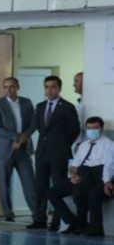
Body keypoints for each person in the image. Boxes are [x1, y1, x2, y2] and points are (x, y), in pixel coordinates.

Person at [30, 75, 80, 230]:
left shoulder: (67, 107)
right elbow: (41, 129)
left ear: (59, 89)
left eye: (53, 87)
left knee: (57, 187)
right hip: (42, 153)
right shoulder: (40, 106)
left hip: (59, 154)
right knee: (40, 186)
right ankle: (39, 219)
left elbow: (75, 130)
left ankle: (56, 221)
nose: (49, 90)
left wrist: (62, 145)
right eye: (47, 87)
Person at [0, 77, 38, 222]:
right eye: (5, 87)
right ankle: (8, 215)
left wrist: (24, 137)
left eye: (11, 86)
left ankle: (37, 215)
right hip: (4, 151)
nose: (8, 90)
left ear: (18, 87)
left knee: (30, 183)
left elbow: (34, 123)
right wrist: (17, 137)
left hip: (23, 150)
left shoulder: (26, 102)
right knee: (4, 185)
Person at [65, 116, 113, 237]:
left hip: (99, 177)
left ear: (101, 129)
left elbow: (108, 166)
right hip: (83, 175)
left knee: (91, 192)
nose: (91, 131)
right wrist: (74, 175)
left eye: (95, 128)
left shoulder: (109, 145)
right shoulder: (83, 145)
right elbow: (74, 165)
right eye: (89, 128)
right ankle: (77, 224)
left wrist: (107, 182)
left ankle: (95, 228)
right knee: (58, 192)